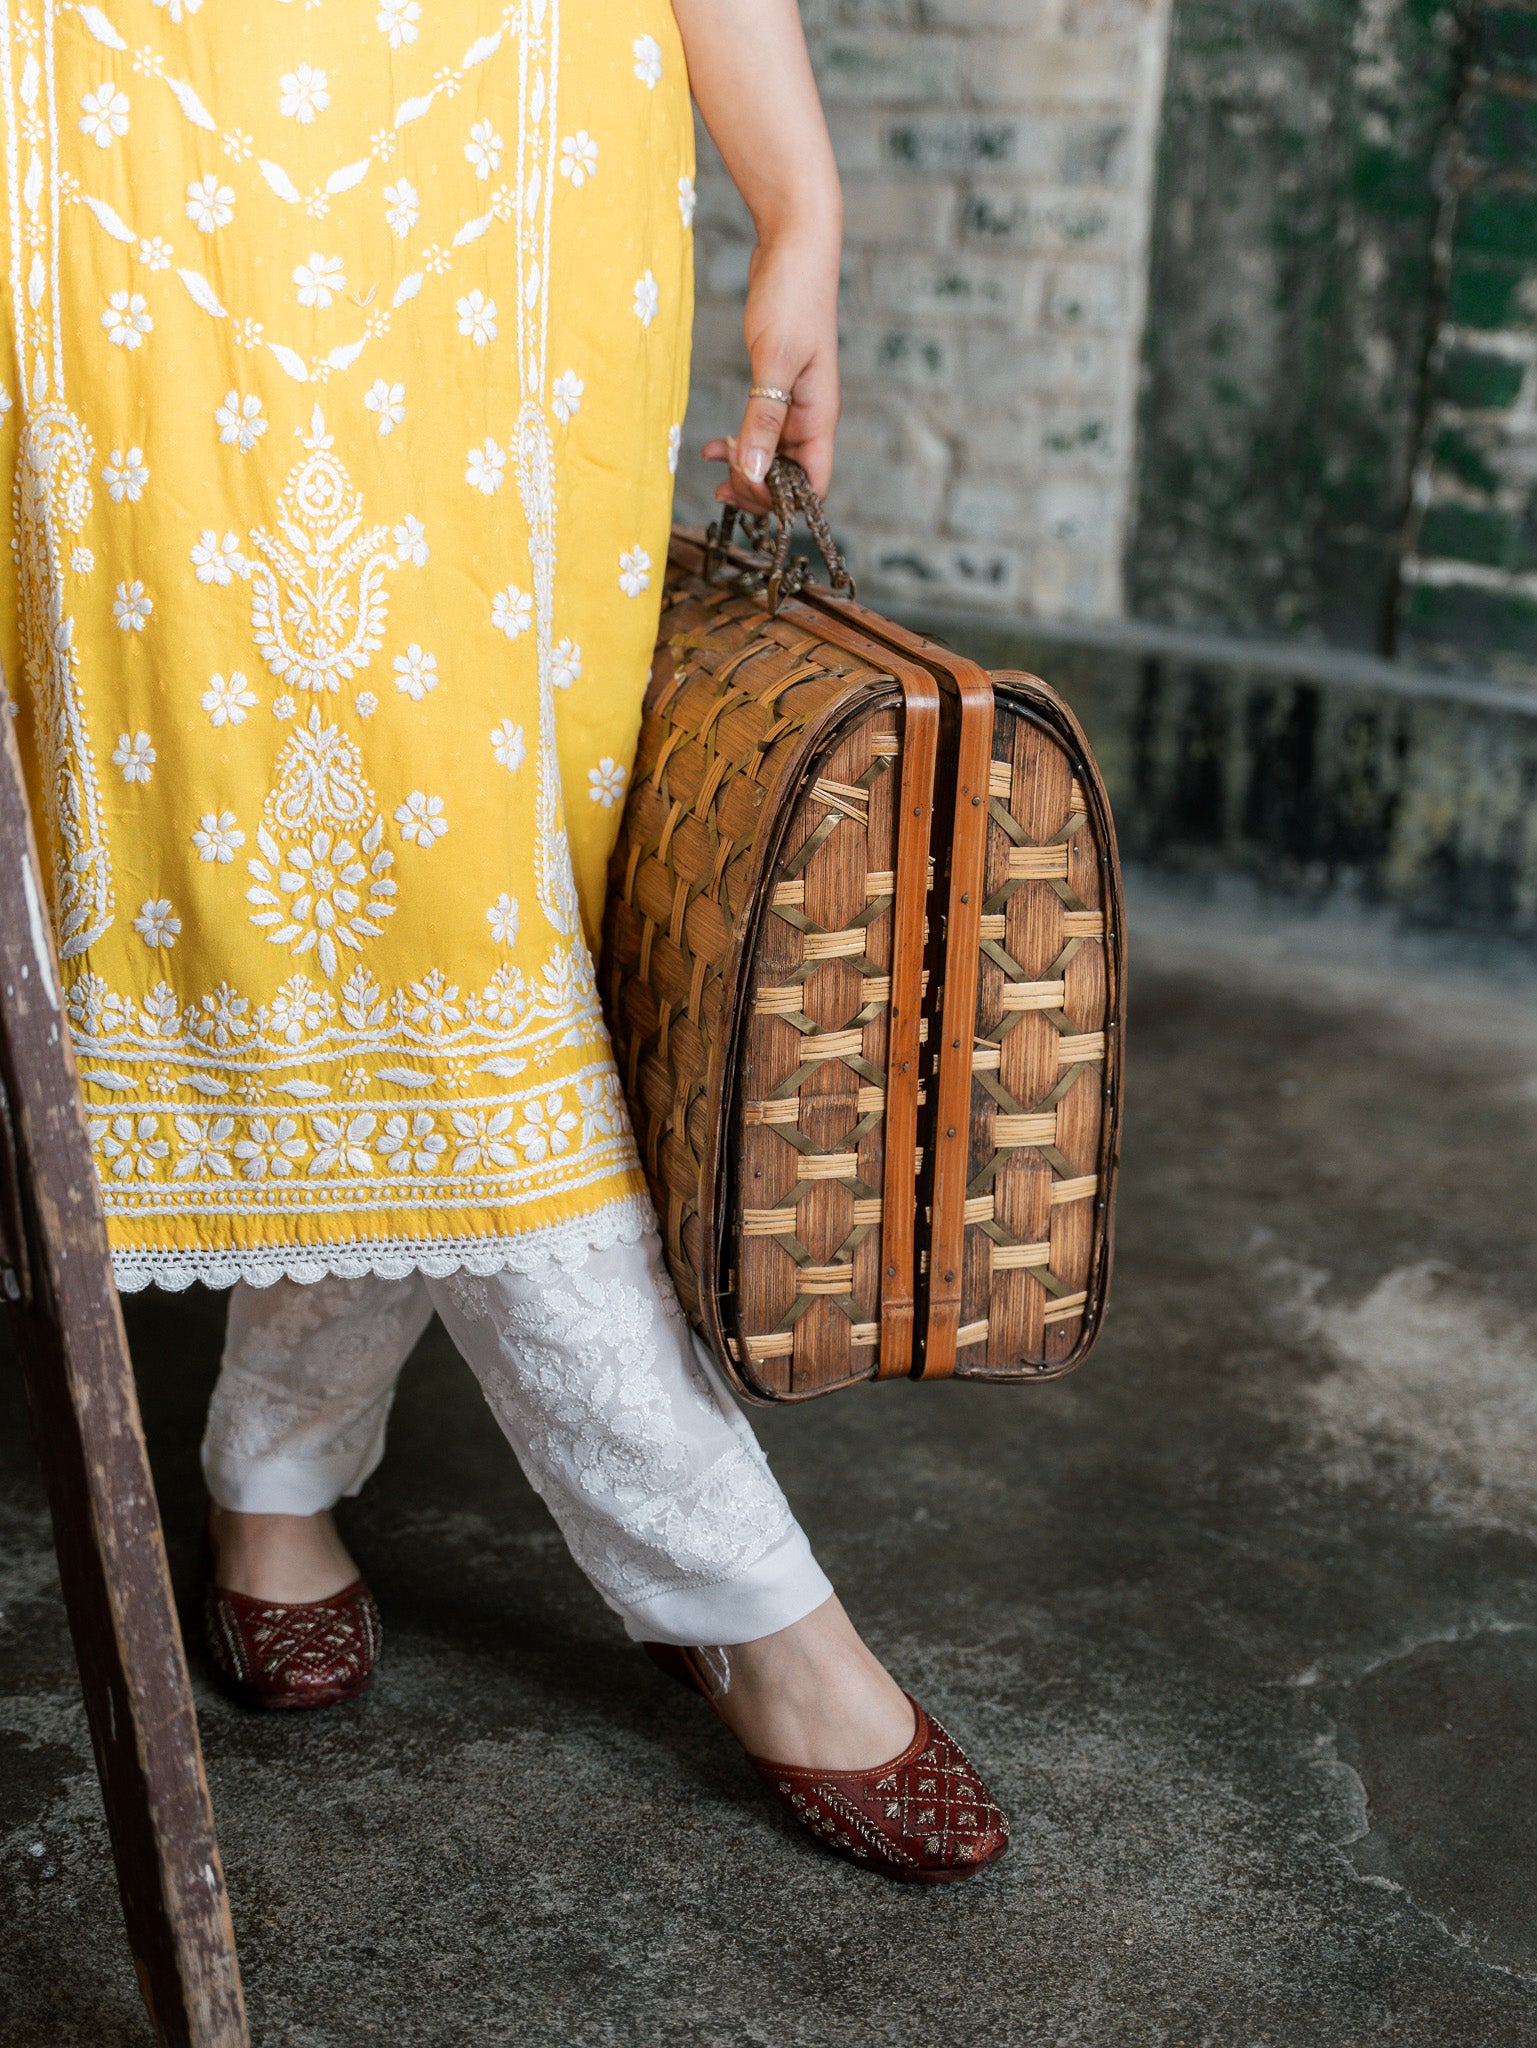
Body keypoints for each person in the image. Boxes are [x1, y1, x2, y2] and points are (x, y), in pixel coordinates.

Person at [3, 0, 1008, 1883]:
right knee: (330, 878)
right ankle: (735, 1593)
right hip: (134, 139)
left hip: (505, 167)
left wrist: (800, 203)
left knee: (465, 899)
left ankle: (276, 1466)